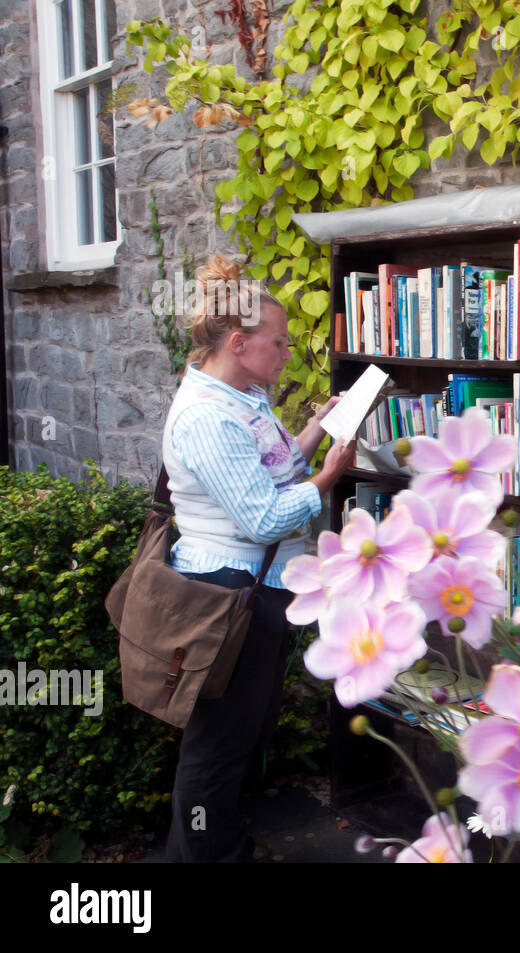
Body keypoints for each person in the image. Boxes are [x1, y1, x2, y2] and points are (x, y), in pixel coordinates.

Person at [160, 254, 355, 863]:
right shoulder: (206, 417)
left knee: (239, 735)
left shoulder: (239, 396)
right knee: (217, 745)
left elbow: (269, 473)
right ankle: (208, 857)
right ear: (240, 344)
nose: (288, 354)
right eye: (279, 343)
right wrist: (326, 480)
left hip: (254, 589)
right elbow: (264, 516)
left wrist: (317, 431)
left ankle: (203, 850)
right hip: (225, 594)